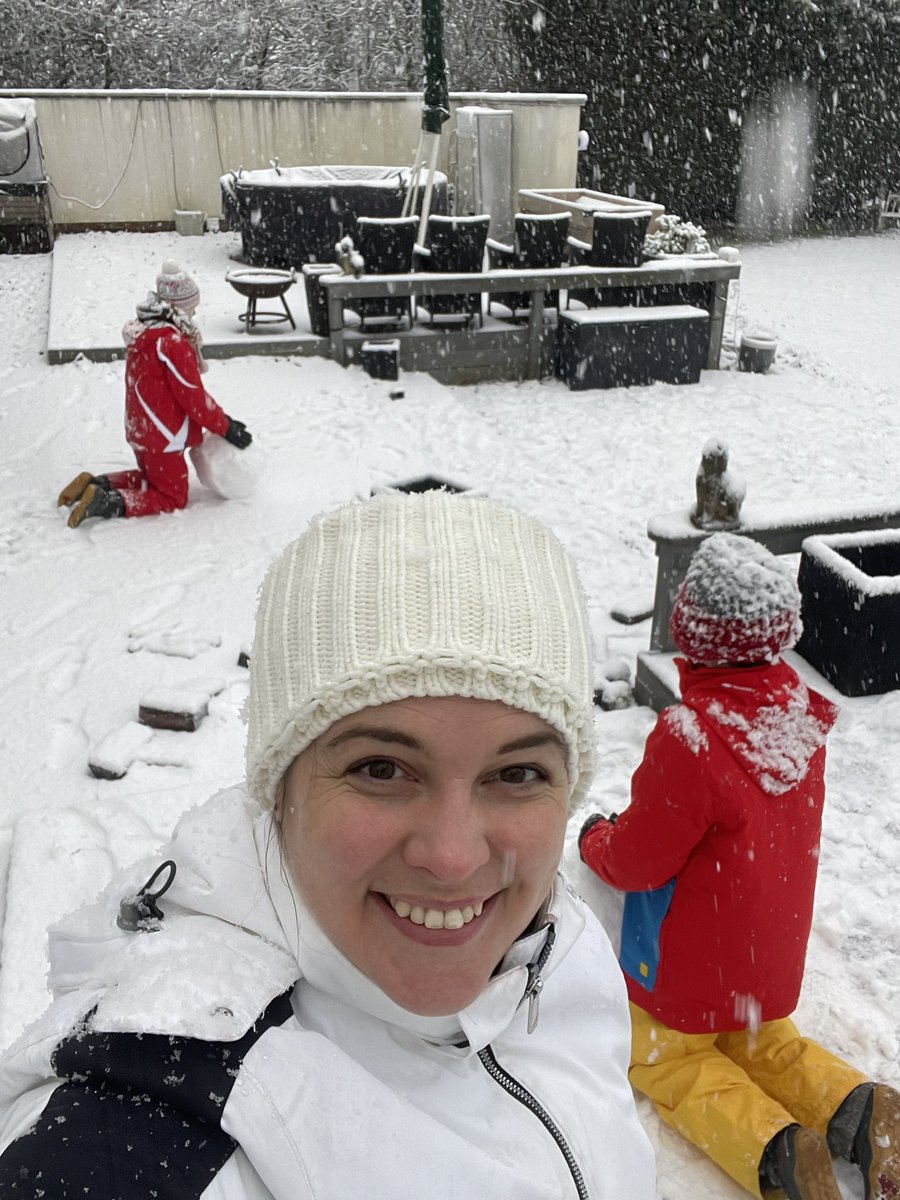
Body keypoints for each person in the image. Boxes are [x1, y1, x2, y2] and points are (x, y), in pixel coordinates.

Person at [0, 489, 656, 1199]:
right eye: (382, 769)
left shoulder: (559, 949)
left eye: (519, 772)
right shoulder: (154, 1126)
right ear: (279, 789)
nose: (455, 856)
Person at [578, 531, 900, 1200]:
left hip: (693, 968)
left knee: (671, 1059)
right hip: (766, 964)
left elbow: (637, 861)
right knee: (766, 1045)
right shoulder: (799, 721)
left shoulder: (690, 737)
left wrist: (595, 841)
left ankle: (778, 1153)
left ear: (692, 634)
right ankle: (863, 1112)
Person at [57, 260, 252, 529]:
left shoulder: (146, 335)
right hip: (163, 434)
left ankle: (96, 483)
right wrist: (225, 426)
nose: (194, 315)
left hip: (142, 429)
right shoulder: (171, 343)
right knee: (172, 495)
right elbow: (192, 396)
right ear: (180, 308)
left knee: (151, 479)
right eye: (192, 310)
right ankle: (107, 502)